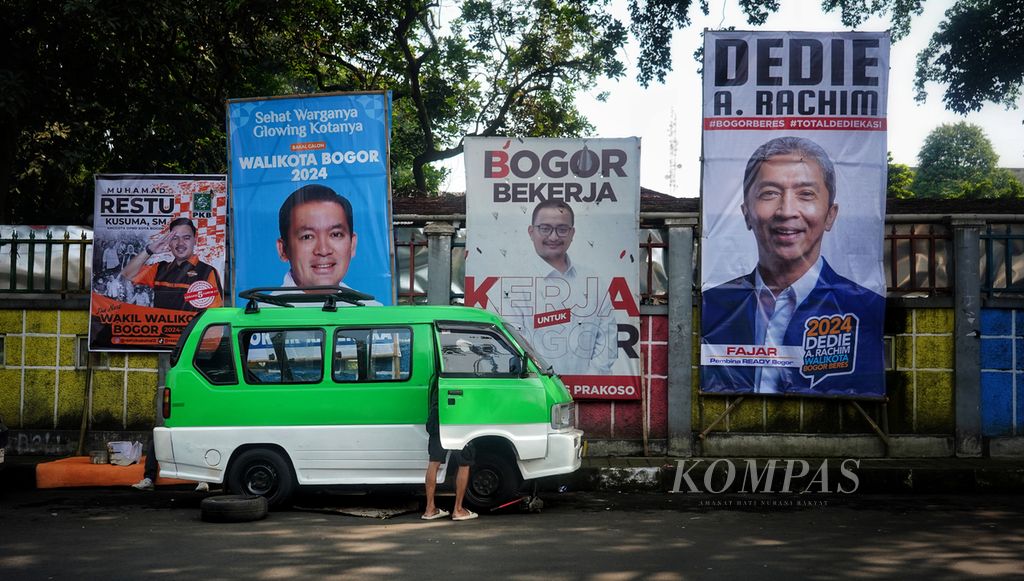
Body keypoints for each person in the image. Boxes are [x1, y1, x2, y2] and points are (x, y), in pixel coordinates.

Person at [701, 136, 885, 396]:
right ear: (746, 213)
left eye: (805, 194)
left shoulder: (867, 309)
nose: (786, 211)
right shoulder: (713, 307)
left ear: (830, 215)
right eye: (769, 194)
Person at [508, 200, 614, 376]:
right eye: (545, 228)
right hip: (536, 391)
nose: (554, 237)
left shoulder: (592, 281)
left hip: (587, 392)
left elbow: (607, 341)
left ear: (572, 233)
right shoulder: (512, 283)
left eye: (562, 229)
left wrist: (587, 383)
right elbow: (512, 345)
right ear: (531, 232)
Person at [276, 184, 381, 304]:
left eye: (336, 234)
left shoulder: (370, 311)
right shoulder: (264, 315)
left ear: (352, 244)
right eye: (307, 237)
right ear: (283, 249)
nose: (323, 250)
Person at [119, 217, 224, 311]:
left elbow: (215, 315)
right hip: (161, 332)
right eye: (174, 238)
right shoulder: (159, 269)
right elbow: (127, 274)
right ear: (169, 242)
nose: (180, 243)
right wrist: (149, 250)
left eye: (186, 238)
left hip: (193, 333)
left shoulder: (207, 272)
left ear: (195, 241)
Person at [421, 376, 477, 521]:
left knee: (434, 462)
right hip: (458, 417)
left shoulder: (436, 377)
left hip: (435, 417)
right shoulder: (462, 374)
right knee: (464, 462)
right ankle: (458, 510)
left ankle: (429, 509)